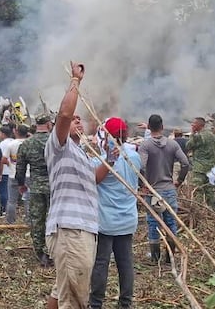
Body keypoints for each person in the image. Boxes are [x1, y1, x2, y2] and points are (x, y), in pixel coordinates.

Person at [45, 62, 98, 309]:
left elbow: (94, 180)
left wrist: (113, 158)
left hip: (81, 229)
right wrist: (76, 82)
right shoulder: (59, 146)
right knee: (75, 299)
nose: (77, 120)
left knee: (62, 291)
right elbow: (64, 115)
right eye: (74, 119)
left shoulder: (81, 153)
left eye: (81, 119)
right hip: (70, 229)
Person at [89, 117, 140, 309]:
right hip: (128, 219)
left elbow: (93, 179)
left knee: (101, 263)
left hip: (105, 221)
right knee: (125, 263)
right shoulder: (134, 156)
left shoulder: (102, 160)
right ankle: (125, 303)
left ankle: (95, 303)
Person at [138, 114, 189, 264]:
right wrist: (179, 181)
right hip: (169, 189)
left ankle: (155, 258)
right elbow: (185, 163)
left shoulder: (146, 145)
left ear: (149, 126)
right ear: (162, 126)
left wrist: (144, 184)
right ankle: (170, 257)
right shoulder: (172, 144)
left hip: (154, 191)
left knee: (154, 222)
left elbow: (141, 165)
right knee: (170, 222)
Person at [16, 113, 53, 267]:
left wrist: (21, 184)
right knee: (54, 219)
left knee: (37, 219)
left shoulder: (26, 144)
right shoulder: (55, 142)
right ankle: (53, 249)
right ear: (49, 124)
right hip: (54, 186)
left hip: (36, 186)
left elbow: (20, 168)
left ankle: (40, 251)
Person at [5, 124, 28, 224]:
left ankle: (10, 221)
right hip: (27, 174)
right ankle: (29, 221)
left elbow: (3, 159)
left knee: (12, 200)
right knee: (28, 199)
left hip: (13, 175)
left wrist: (10, 164)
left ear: (16, 132)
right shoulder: (29, 143)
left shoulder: (11, 144)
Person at [0, 125, 15, 218]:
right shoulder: (14, 142)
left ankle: (4, 209)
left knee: (3, 191)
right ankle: (11, 210)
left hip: (4, 171)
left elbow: (1, 159)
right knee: (10, 191)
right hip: (13, 171)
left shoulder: (3, 144)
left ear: (3, 134)